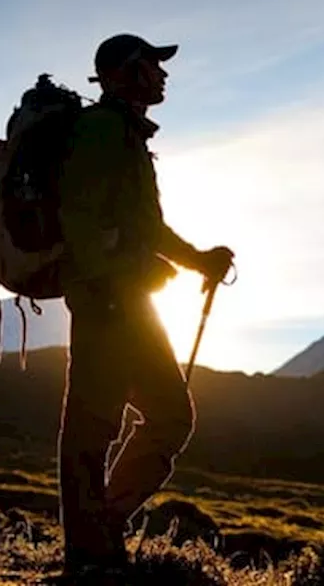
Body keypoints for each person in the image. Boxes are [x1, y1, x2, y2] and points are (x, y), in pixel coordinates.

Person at [50, 33, 234, 583]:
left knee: (154, 417)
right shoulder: (103, 130)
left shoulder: (123, 133)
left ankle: (98, 534)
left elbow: (145, 226)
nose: (163, 75)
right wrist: (107, 282)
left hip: (124, 296)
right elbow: (80, 217)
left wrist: (199, 259)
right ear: (125, 73)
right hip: (110, 299)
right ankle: (92, 548)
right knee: (99, 422)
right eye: (153, 65)